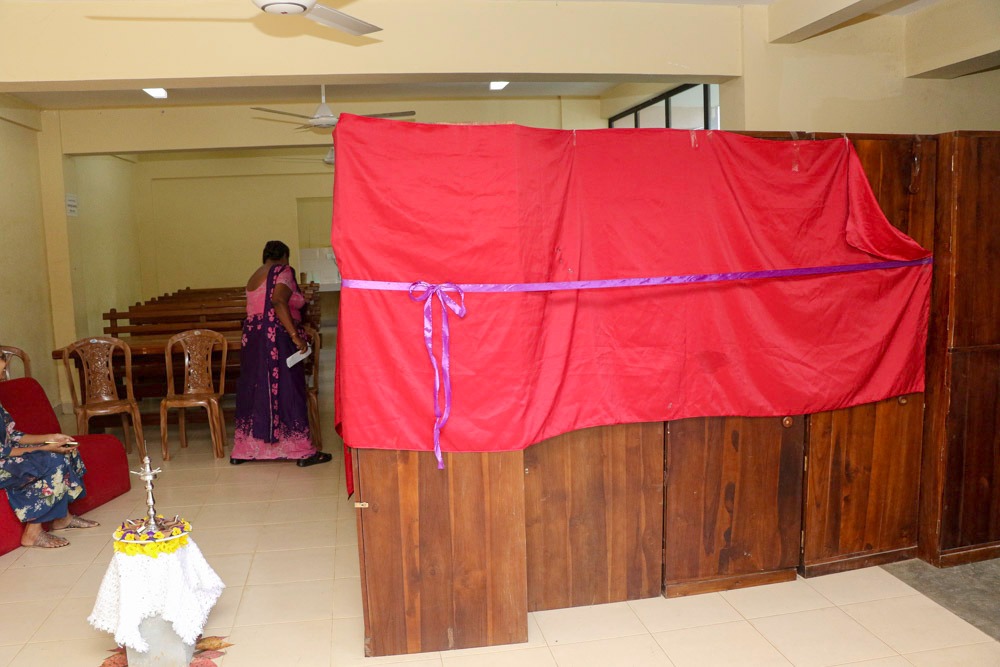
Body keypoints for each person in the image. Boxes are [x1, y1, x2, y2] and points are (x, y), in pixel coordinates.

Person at [231, 240, 332, 466]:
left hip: (254, 341)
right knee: (288, 388)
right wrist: (295, 336)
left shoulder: (255, 275)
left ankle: (246, 450)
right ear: (284, 257)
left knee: (255, 388)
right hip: (277, 339)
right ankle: (300, 450)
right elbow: (278, 301)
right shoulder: (283, 271)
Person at [0, 357, 100, 549]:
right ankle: (32, 533)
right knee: (51, 459)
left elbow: (13, 435)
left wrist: (51, 438)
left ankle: (63, 518)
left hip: (6, 456)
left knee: (67, 449)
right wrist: (44, 448)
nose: (4, 376)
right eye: (1, 370)